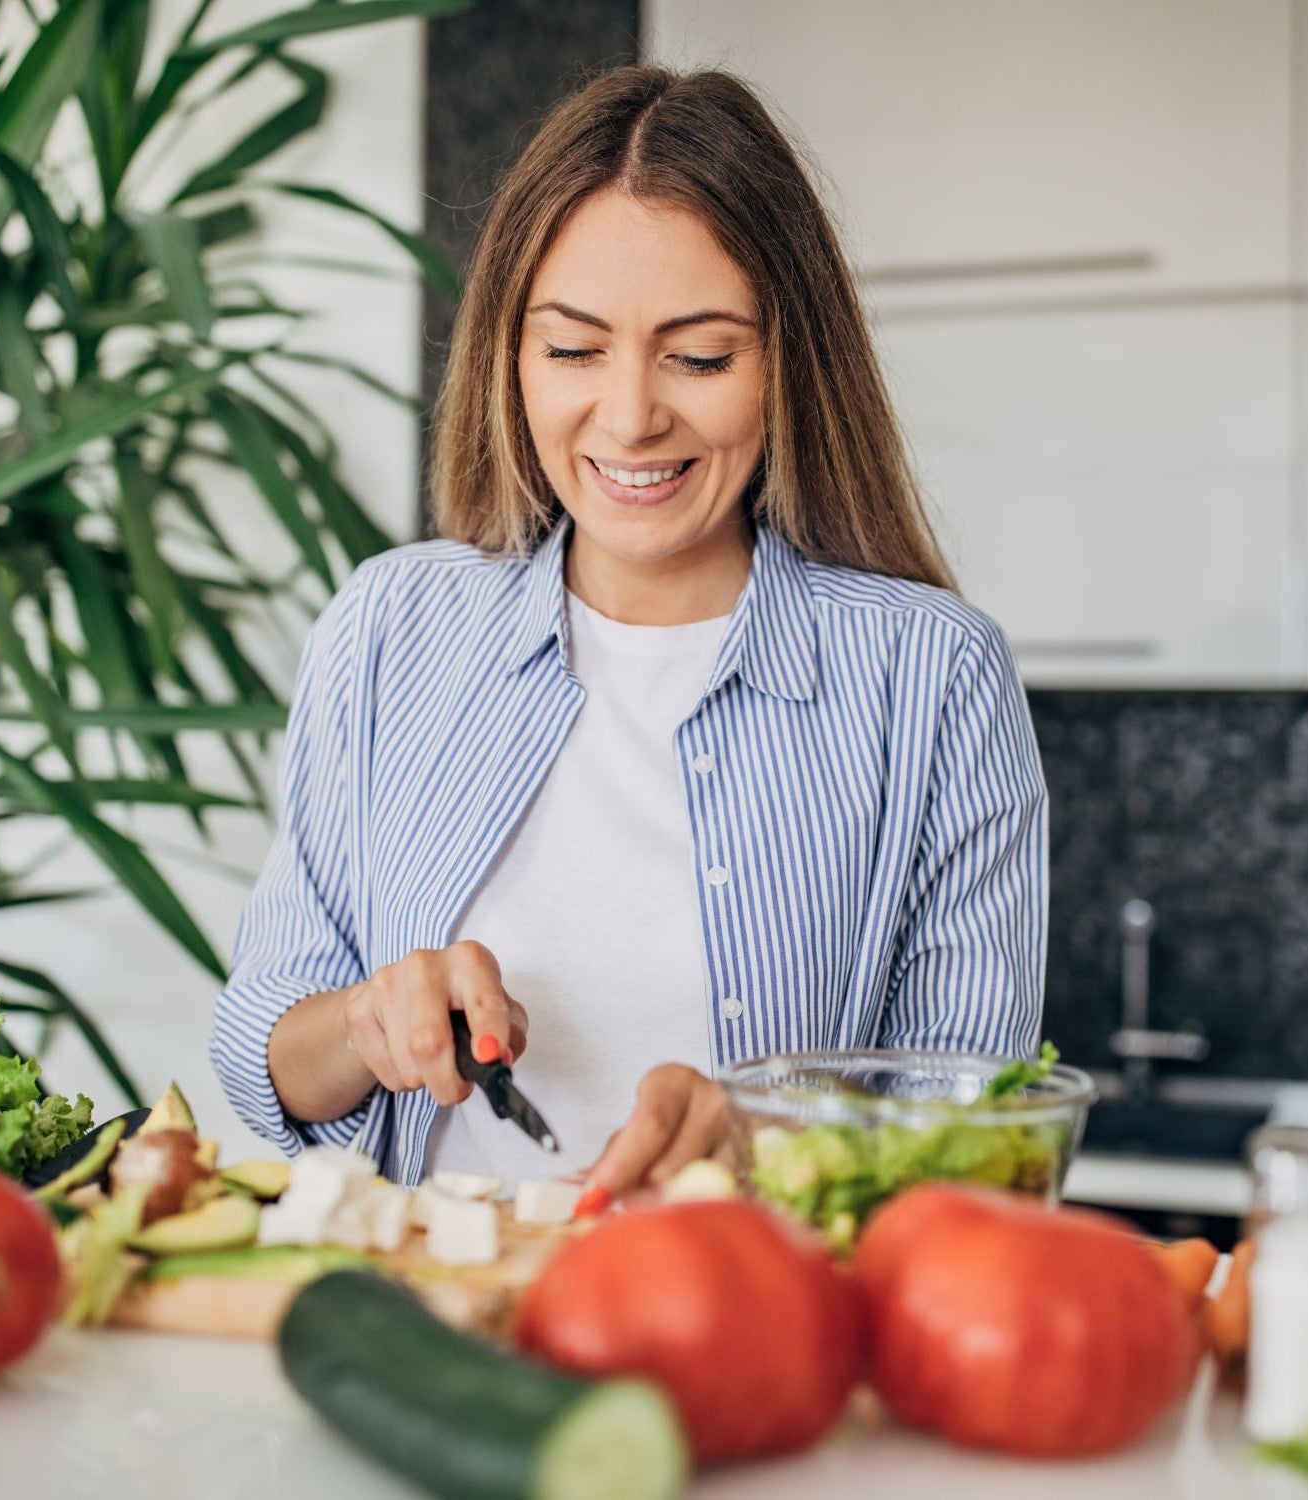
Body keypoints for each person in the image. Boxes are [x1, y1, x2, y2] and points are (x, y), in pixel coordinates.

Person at [211, 65, 1047, 1206]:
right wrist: (370, 1024)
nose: (629, 415)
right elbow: (263, 1051)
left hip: (748, 1346)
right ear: (510, 355)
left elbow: (977, 1143)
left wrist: (765, 1138)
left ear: (788, 364)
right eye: (572, 350)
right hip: (438, 1329)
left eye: (700, 357)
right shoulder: (390, 628)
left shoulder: (933, 676)